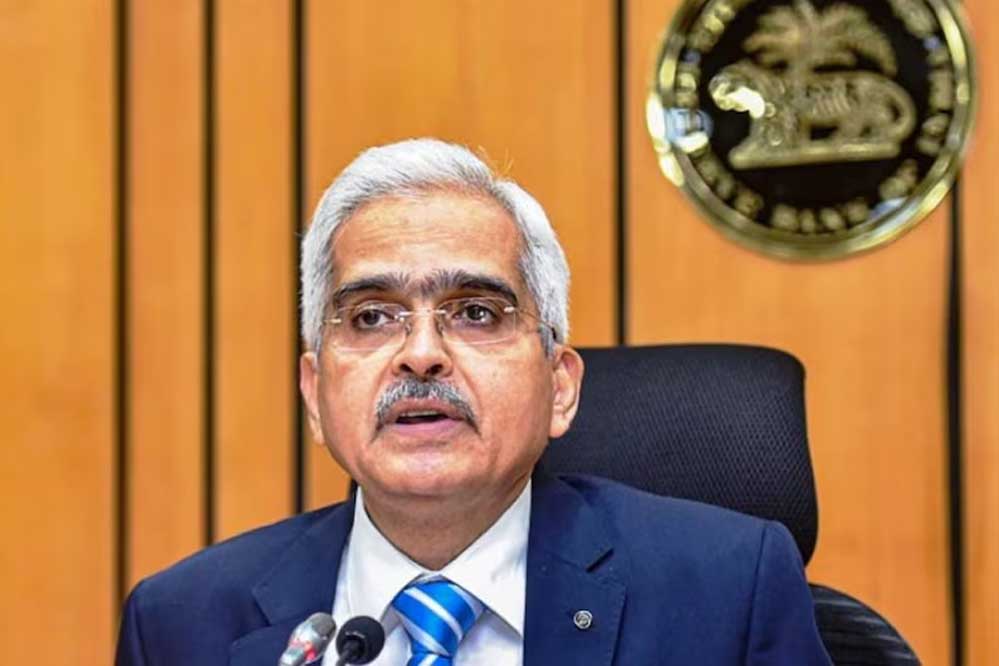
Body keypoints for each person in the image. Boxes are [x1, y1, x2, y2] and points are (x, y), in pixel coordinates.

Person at [115, 138, 832, 665]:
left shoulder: (726, 591)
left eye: (476, 313)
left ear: (560, 387)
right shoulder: (183, 625)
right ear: (314, 394)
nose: (420, 353)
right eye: (371, 316)